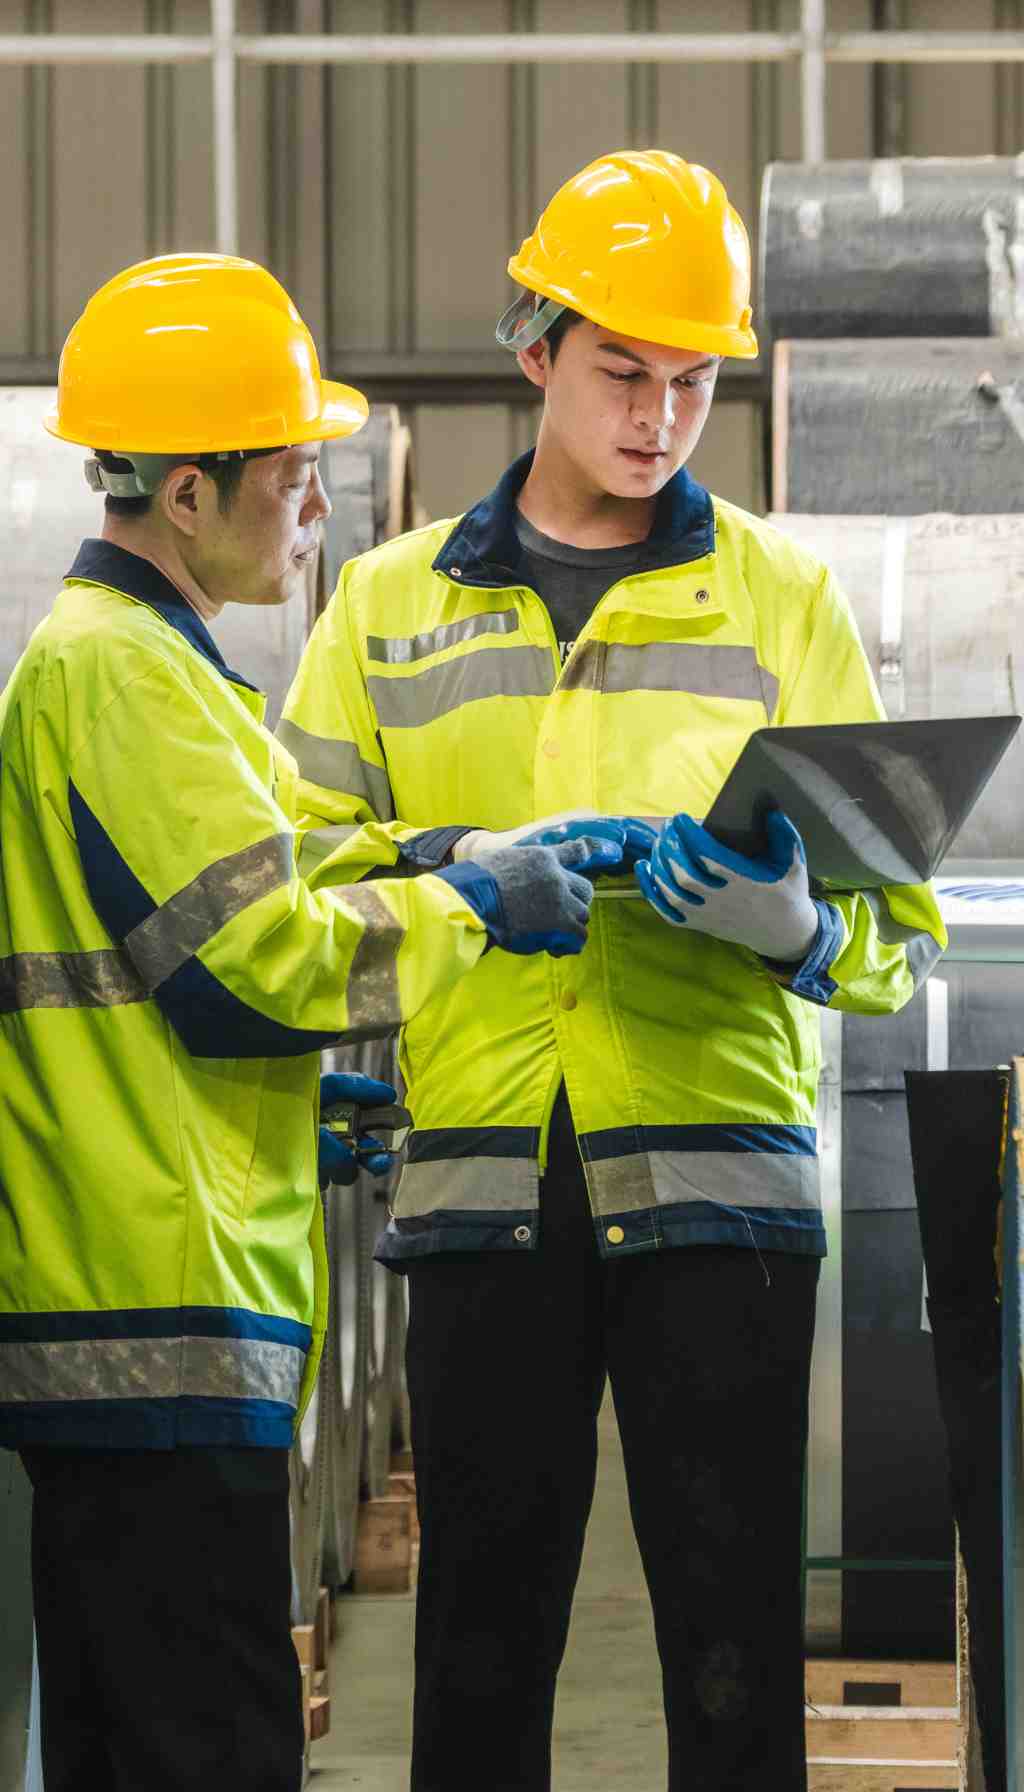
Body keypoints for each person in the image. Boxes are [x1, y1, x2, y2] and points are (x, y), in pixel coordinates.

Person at [279, 152, 947, 1792]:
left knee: (731, 1654)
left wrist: (789, 929)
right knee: (481, 1649)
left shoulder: (784, 596)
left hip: (720, 1184)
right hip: (481, 1174)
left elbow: (892, 929)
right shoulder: (381, 603)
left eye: (693, 379)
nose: (659, 415)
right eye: (623, 372)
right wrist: (454, 874)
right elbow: (298, 879)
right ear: (536, 352)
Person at [0, 251, 623, 1792]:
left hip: (151, 1288)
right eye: (295, 477)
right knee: (204, 1745)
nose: (320, 511)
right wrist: (489, 911)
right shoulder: (122, 676)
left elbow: (303, 851)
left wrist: (461, 851)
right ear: (191, 492)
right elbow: (253, 963)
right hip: (154, 1309)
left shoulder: (165, 672)